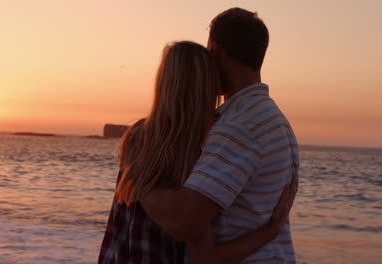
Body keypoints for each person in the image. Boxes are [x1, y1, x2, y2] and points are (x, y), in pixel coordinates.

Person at [98, 41, 297, 264]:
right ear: (209, 88)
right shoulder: (199, 155)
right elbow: (205, 257)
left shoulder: (138, 137)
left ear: (163, 84)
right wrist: (271, 231)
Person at [141, 8, 299, 264]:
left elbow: (183, 222)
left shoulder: (240, 127)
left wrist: (136, 176)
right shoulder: (272, 119)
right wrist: (270, 231)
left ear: (215, 48)